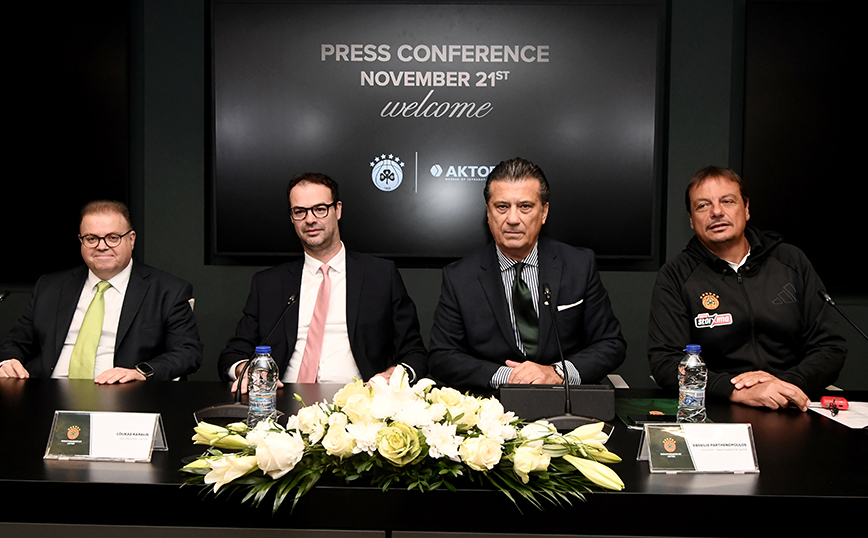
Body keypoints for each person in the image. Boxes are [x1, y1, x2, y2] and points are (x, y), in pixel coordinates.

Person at [647, 166, 846, 411]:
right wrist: (735, 390)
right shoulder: (676, 275)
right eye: (703, 206)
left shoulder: (791, 261)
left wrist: (784, 385)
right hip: (717, 407)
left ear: (746, 208)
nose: (716, 212)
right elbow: (665, 362)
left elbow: (830, 346)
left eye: (727, 201)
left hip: (794, 401)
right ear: (691, 219)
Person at [428, 157, 626, 390]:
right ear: (488, 213)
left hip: (565, 400)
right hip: (492, 405)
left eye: (525, 207)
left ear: (544, 212)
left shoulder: (579, 265)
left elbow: (611, 344)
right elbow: (442, 356)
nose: (512, 219)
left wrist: (556, 373)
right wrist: (508, 376)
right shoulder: (460, 277)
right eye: (502, 207)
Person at [218, 173, 428, 391]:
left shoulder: (381, 275)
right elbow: (233, 354)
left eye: (320, 209)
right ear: (292, 218)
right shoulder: (268, 284)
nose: (310, 219)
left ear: (338, 210)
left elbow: (414, 353)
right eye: (300, 211)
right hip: (282, 398)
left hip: (359, 401)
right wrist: (246, 370)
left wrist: (393, 375)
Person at [0, 201, 203, 382]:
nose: (102, 246)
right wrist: (8, 362)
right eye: (91, 239)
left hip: (124, 395)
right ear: (81, 241)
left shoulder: (168, 290)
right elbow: (16, 343)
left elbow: (188, 352)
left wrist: (140, 373)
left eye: (113, 238)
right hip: (46, 393)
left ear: (131, 239)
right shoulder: (51, 286)